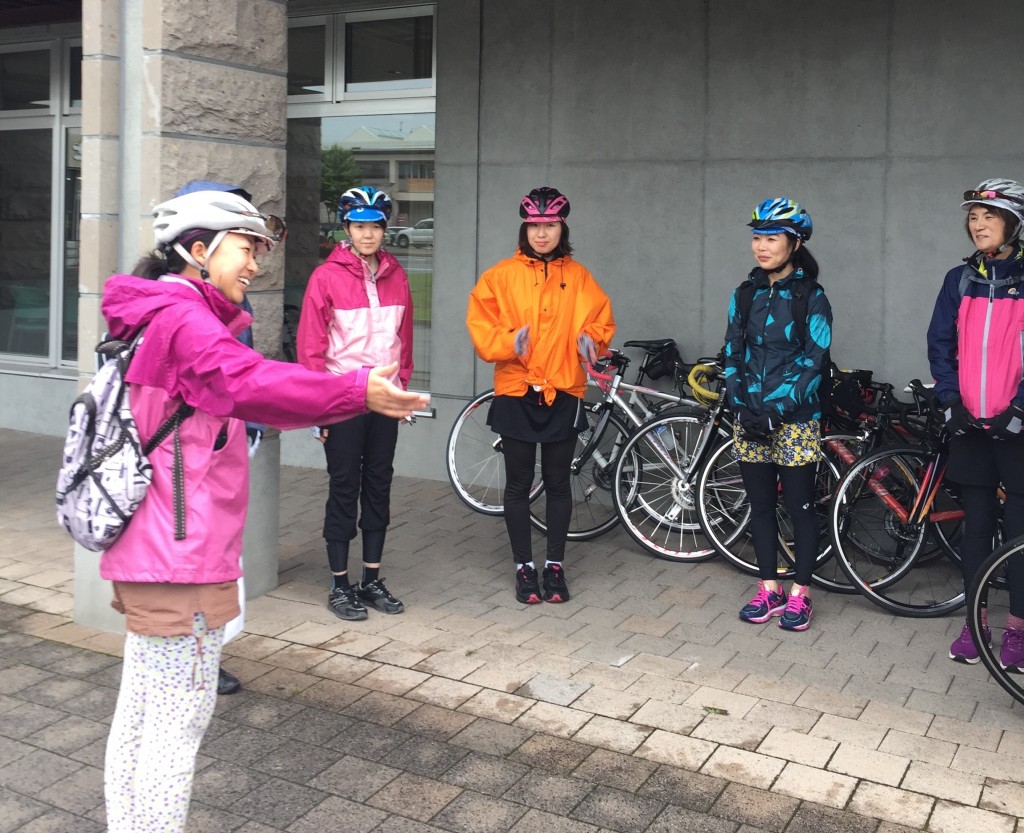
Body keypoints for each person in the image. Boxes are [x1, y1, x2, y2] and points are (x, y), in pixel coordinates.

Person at [100, 188, 426, 833]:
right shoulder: (183, 317)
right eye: (247, 249)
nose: (256, 264)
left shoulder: (162, 309)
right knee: (176, 722)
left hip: (162, 543)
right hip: (179, 552)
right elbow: (250, 382)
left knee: (142, 709)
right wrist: (354, 389)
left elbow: (238, 389)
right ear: (200, 250)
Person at [466, 187, 615, 604]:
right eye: (534, 226)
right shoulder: (500, 275)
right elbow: (481, 326)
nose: (542, 233)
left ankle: (554, 566)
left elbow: (600, 322)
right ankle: (523, 568)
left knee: (558, 483)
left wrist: (591, 342)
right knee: (517, 484)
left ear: (561, 227)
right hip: (516, 390)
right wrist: (510, 342)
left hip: (564, 390)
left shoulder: (580, 276)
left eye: (549, 225)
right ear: (524, 228)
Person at [297, 186, 414, 621]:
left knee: (379, 484)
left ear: (385, 230)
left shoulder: (397, 274)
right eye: (360, 226)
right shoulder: (325, 277)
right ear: (347, 228)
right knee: (344, 487)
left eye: (375, 227)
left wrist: (400, 391)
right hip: (341, 399)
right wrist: (317, 410)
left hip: (382, 399)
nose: (368, 234)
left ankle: (372, 579)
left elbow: (405, 340)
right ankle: (339, 584)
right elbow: (310, 347)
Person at [928, 178, 1024, 669]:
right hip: (970, 426)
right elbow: (940, 345)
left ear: (1014, 222)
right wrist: (950, 402)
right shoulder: (958, 279)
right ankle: (975, 621)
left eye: (988, 214)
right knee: (976, 529)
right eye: (972, 216)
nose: (978, 224)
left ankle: (1019, 632)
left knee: (1019, 534)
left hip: (1017, 430)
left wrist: (1020, 410)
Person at [725, 198, 832, 632]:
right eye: (756, 237)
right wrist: (743, 405)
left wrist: (777, 410)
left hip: (796, 421)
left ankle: (801, 594)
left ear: (794, 242)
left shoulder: (812, 297)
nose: (761, 247)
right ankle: (768, 587)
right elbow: (732, 352)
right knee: (761, 507)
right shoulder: (745, 294)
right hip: (750, 417)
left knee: (800, 508)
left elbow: (815, 361)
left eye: (771, 238)